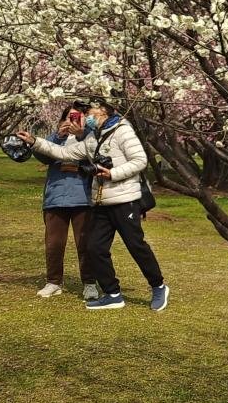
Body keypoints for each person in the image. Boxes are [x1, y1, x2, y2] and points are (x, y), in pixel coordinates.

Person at [17, 95, 169, 312]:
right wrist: (35, 141)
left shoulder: (122, 130)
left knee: (136, 245)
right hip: (101, 200)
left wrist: (113, 173)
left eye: (88, 113)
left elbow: (140, 160)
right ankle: (113, 293)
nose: (86, 117)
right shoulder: (93, 138)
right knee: (94, 247)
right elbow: (64, 152)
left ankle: (158, 286)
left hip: (125, 199)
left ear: (104, 111)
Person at [35, 101, 100, 301]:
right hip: (56, 196)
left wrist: (81, 135)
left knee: (85, 243)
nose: (71, 121)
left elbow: (100, 156)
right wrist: (57, 136)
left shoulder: (91, 138)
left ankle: (89, 283)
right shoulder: (55, 139)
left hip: (83, 197)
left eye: (76, 117)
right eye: (68, 117)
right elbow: (41, 155)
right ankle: (53, 281)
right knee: (54, 243)